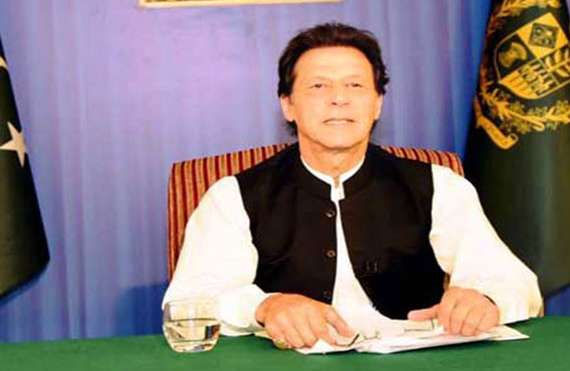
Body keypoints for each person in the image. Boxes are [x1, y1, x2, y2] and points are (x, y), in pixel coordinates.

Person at [163, 22, 542, 349]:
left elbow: (515, 283)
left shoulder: (439, 185)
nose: (339, 99)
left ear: (377, 104)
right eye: (319, 86)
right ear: (288, 105)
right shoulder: (233, 196)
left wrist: (483, 298)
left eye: (356, 85)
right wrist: (265, 306)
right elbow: (189, 301)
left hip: (415, 369)